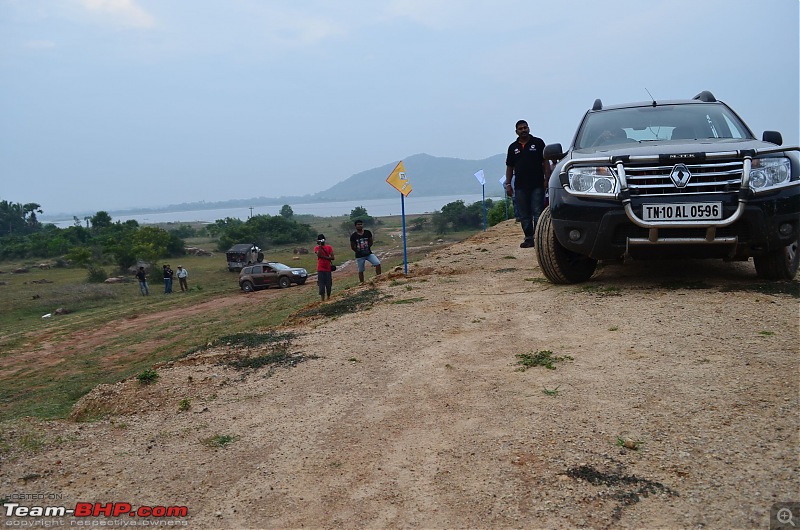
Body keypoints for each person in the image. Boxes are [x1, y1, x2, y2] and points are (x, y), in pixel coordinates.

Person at [505, 119, 551, 248]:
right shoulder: (513, 147)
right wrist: (508, 184)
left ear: (529, 129)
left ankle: (539, 238)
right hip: (520, 186)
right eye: (520, 128)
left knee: (537, 211)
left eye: (525, 127)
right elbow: (509, 166)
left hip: (537, 184)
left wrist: (547, 179)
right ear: (516, 131)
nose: (523, 130)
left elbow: (545, 162)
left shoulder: (538, 143)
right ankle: (529, 238)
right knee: (524, 214)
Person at [314, 234, 334, 301]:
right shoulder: (316, 248)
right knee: (321, 285)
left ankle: (328, 297)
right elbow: (319, 255)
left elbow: (333, 257)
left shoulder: (329, 247)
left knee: (328, 284)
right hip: (321, 268)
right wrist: (320, 245)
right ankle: (322, 299)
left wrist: (324, 257)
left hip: (328, 268)